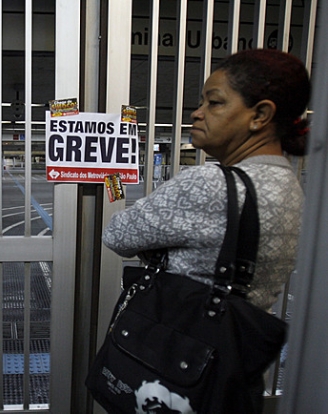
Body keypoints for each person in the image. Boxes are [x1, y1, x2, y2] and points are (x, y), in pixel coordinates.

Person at [102, 48, 310, 412]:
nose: (197, 112)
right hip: (230, 369)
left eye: (214, 102)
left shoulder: (210, 183)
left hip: (173, 360)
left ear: (260, 115)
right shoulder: (291, 188)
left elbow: (117, 234)